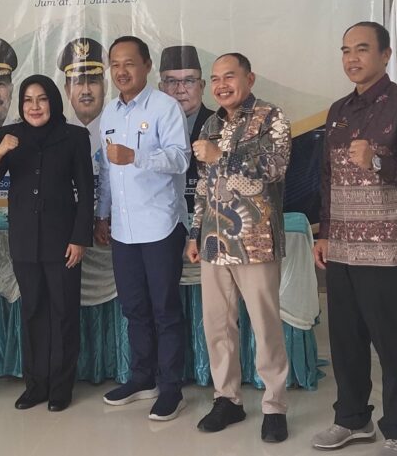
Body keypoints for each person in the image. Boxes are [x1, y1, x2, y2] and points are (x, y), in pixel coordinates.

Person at [312, 22, 397, 456]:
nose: (352, 58)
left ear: (385, 55)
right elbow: (327, 179)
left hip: (385, 245)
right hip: (342, 244)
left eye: (362, 49)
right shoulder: (339, 109)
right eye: (346, 50)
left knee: (389, 340)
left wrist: (378, 162)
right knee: (345, 337)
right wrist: (325, 233)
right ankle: (353, 419)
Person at [187, 52, 291, 443]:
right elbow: (202, 185)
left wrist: (223, 157)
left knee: (265, 326)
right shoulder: (211, 123)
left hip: (255, 242)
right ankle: (227, 399)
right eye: (215, 79)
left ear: (250, 78)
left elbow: (275, 168)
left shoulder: (270, 116)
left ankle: (274, 405)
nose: (221, 85)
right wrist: (195, 233)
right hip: (214, 244)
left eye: (229, 76)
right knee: (217, 326)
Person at [0, 75, 93, 412]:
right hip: (25, 240)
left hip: (63, 242)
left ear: (53, 102)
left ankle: (60, 387)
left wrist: (79, 238)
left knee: (63, 313)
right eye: (28, 100)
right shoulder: (9, 135)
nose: (34, 106)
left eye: (41, 99)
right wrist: (0, 151)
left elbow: (86, 191)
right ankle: (35, 385)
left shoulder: (74, 136)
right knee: (32, 312)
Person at [95, 36, 190, 421]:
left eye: (129, 63)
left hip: (161, 225)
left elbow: (181, 159)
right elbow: (106, 172)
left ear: (147, 66)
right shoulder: (109, 113)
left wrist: (137, 156)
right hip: (123, 229)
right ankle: (142, 378)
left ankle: (171, 389)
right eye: (115, 64)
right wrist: (102, 214)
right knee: (134, 308)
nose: (121, 71)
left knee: (165, 310)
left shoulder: (166, 107)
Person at [159, 45, 214, 216]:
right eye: (171, 81)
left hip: (211, 220)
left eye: (189, 81)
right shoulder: (147, 128)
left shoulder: (221, 125)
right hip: (162, 221)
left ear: (202, 86)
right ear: (161, 88)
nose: (181, 89)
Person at [57, 37, 107, 155]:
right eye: (78, 82)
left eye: (93, 81)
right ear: (67, 90)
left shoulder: (120, 130)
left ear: (105, 87)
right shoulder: (57, 136)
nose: (86, 91)